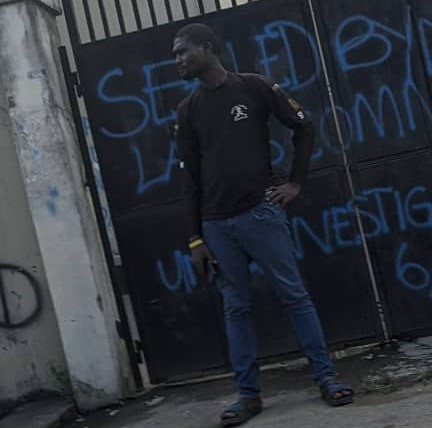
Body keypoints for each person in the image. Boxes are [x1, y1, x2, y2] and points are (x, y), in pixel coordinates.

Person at [173, 23, 353, 427]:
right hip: (217, 227)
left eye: (183, 51)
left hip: (261, 214)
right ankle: (249, 396)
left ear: (208, 47)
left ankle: (326, 378)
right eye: (175, 55)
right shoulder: (188, 111)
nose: (178, 60)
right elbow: (189, 181)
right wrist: (195, 239)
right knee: (236, 309)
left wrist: (295, 183)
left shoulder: (253, 88)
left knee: (295, 296)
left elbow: (304, 127)